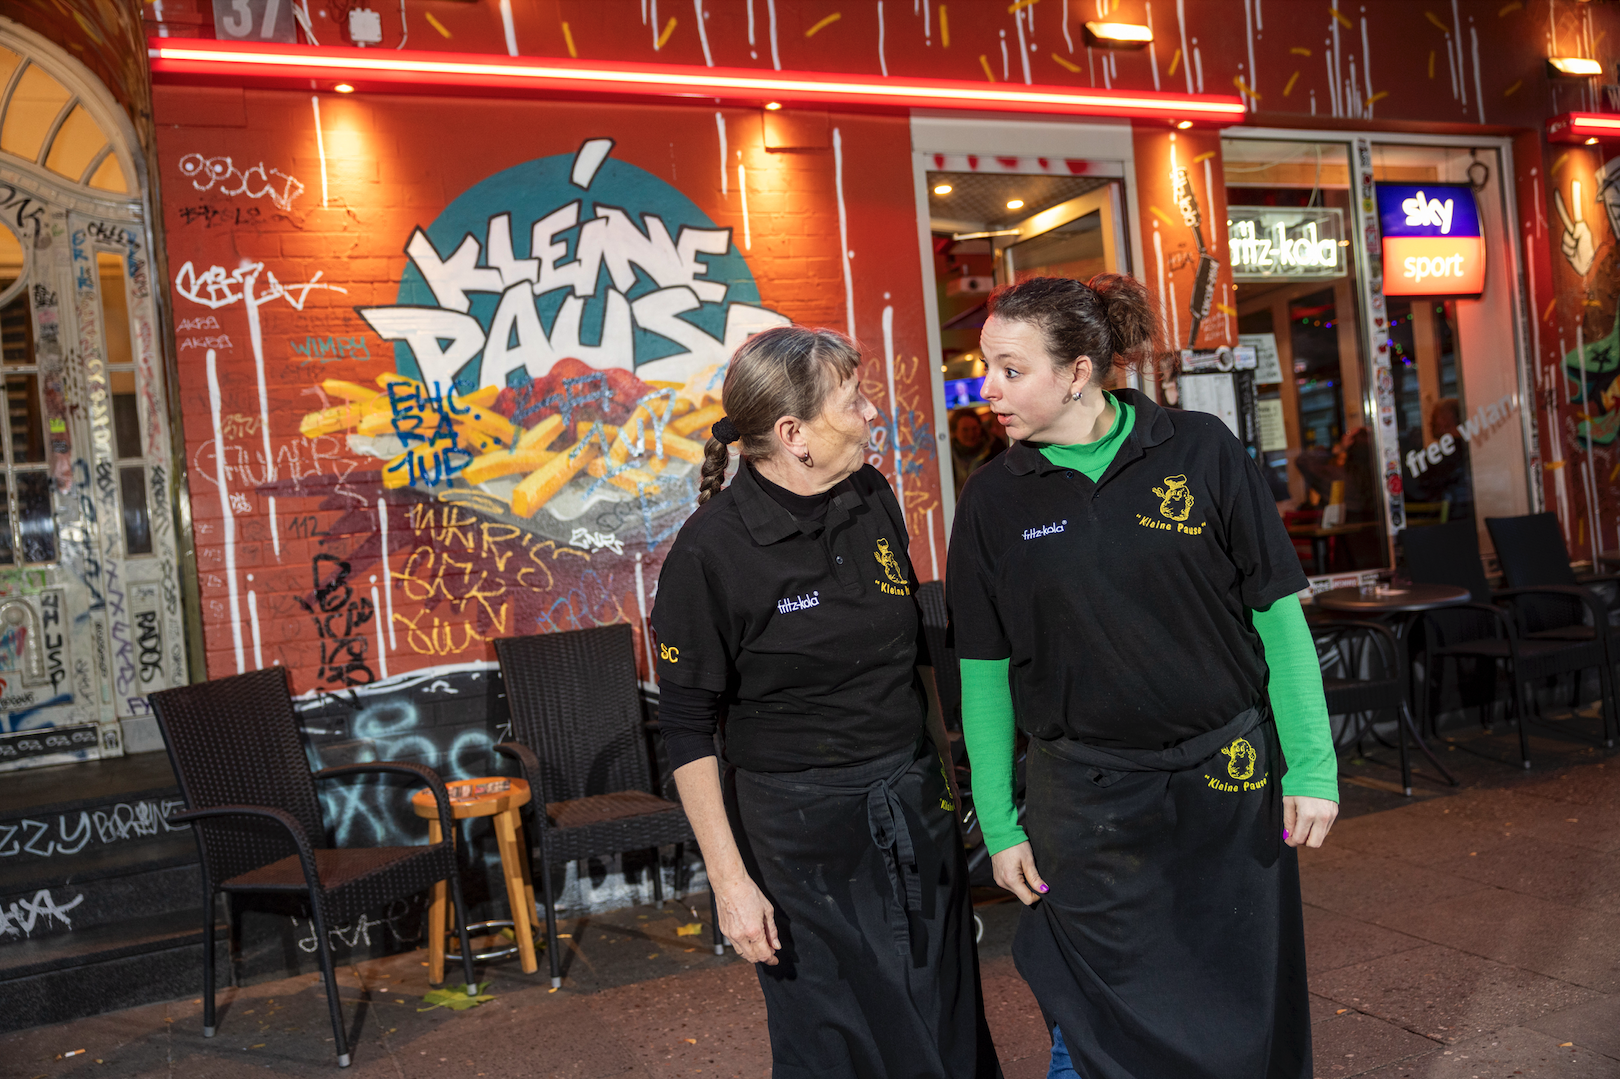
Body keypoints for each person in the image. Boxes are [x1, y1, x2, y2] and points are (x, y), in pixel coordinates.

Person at [947, 275, 1339, 1079]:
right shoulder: (991, 499)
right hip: (1084, 803)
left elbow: (1277, 615)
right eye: (988, 367)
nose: (990, 390)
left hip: (1227, 785)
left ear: (1081, 370)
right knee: (1092, 1016)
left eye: (1011, 369)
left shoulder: (1201, 449)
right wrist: (999, 821)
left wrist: (1312, 763)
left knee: (1241, 1000)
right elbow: (983, 671)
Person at [651, 325, 1000, 1079]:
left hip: (912, 804)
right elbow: (685, 730)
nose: (874, 411)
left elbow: (911, 660)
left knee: (943, 1009)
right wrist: (731, 884)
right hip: (802, 843)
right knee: (839, 1034)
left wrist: (949, 782)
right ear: (793, 434)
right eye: (854, 399)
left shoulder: (871, 496)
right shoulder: (709, 554)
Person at [950, 409, 995, 496]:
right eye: (965, 430)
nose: (971, 434)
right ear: (955, 432)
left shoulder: (995, 450)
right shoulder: (945, 456)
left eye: (974, 428)